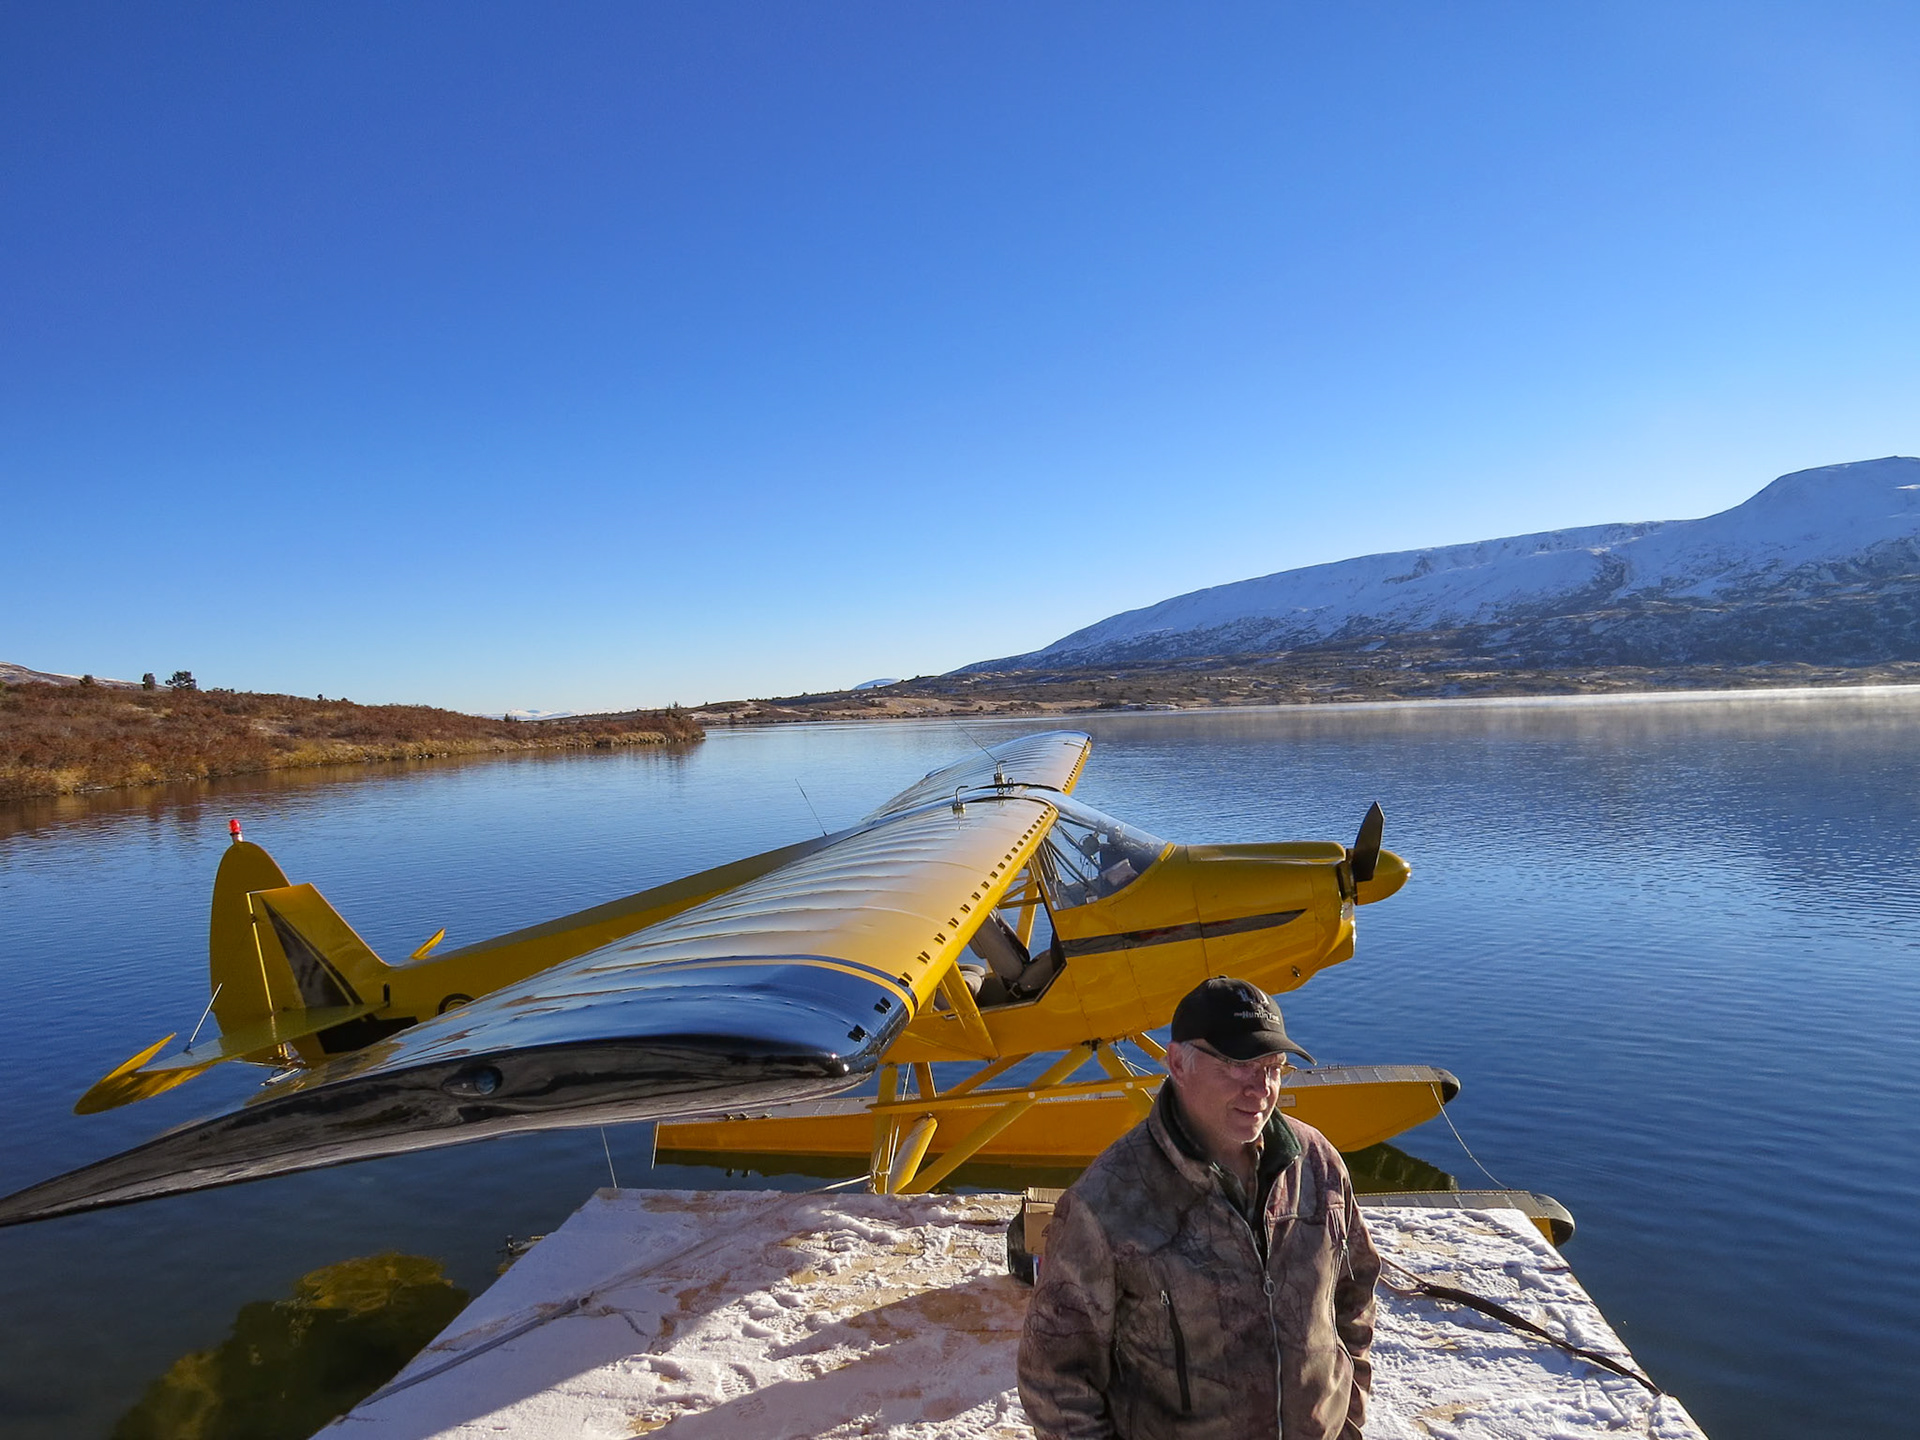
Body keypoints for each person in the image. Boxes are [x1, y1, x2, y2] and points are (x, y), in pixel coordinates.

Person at [1018, 977, 1380, 1439]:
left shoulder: (1316, 1162)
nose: (1261, 1089)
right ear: (1177, 1064)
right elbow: (1053, 1379)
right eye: (1237, 1065)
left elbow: (1354, 1292)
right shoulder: (1106, 1202)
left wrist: (1348, 1418)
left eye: (1273, 1067)